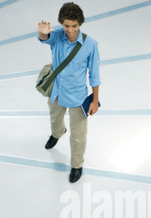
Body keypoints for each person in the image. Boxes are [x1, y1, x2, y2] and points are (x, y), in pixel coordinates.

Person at [37, 2, 101, 183]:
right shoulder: (57, 36)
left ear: (80, 24)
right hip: (56, 92)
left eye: (74, 26)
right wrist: (42, 31)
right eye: (66, 26)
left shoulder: (91, 45)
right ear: (61, 24)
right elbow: (44, 38)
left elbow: (94, 75)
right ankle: (57, 134)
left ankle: (76, 165)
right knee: (55, 120)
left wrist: (95, 100)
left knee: (78, 137)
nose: (70, 30)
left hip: (77, 97)